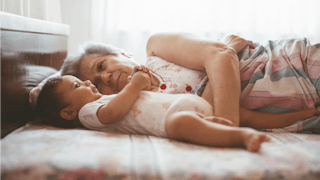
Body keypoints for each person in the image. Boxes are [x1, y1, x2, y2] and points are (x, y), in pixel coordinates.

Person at [59, 33, 320, 131]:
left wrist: (226, 131)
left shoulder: (156, 49)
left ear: (122, 53)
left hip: (289, 65)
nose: (104, 77)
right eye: (96, 83)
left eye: (102, 65)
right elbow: (202, 111)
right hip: (298, 110)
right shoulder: (146, 109)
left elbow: (220, 55)